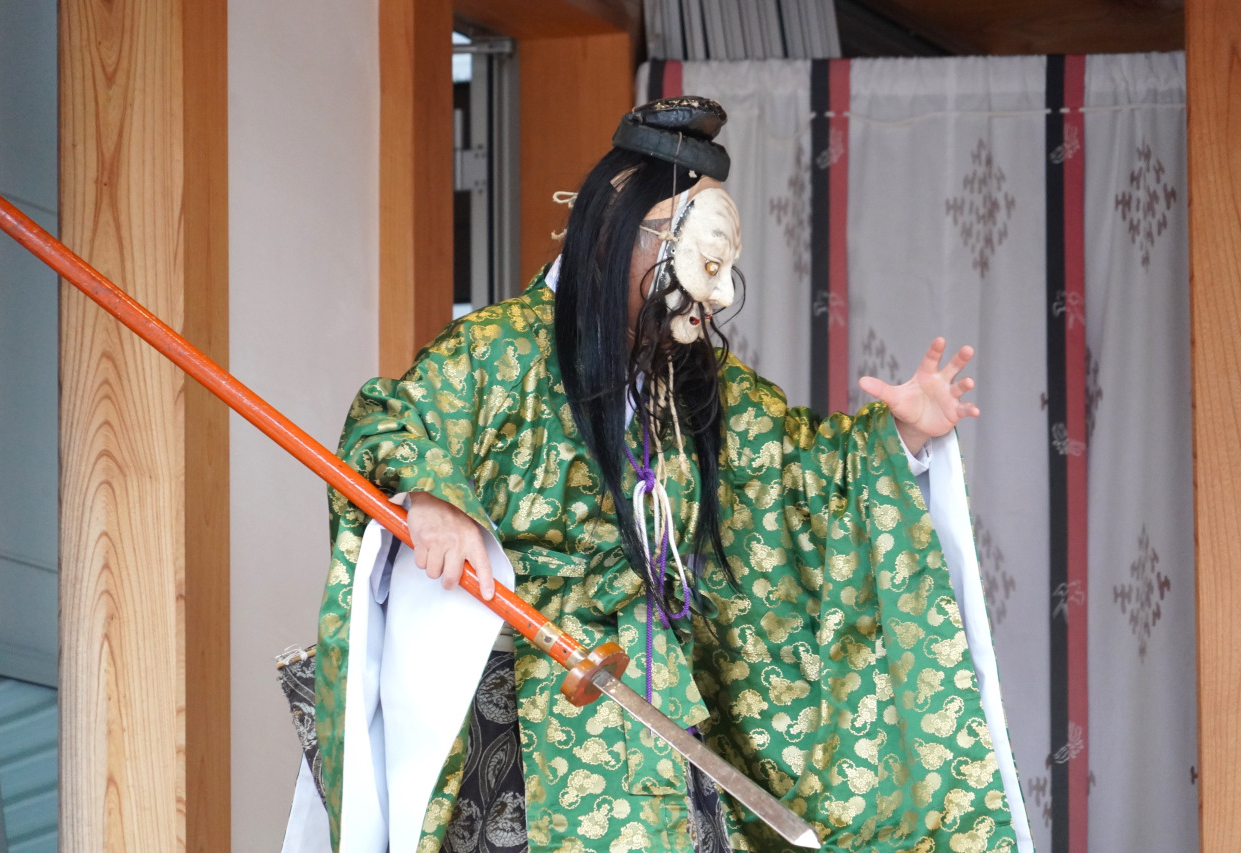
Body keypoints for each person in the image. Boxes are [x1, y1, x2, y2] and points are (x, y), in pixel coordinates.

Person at [296, 97, 1033, 853]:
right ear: (622, 233)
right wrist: (432, 499)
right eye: (707, 264)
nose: (719, 294)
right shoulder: (498, 349)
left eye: (726, 271)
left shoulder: (695, 381)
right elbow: (390, 421)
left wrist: (898, 436)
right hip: (526, 722)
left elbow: (800, 477)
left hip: (660, 704)